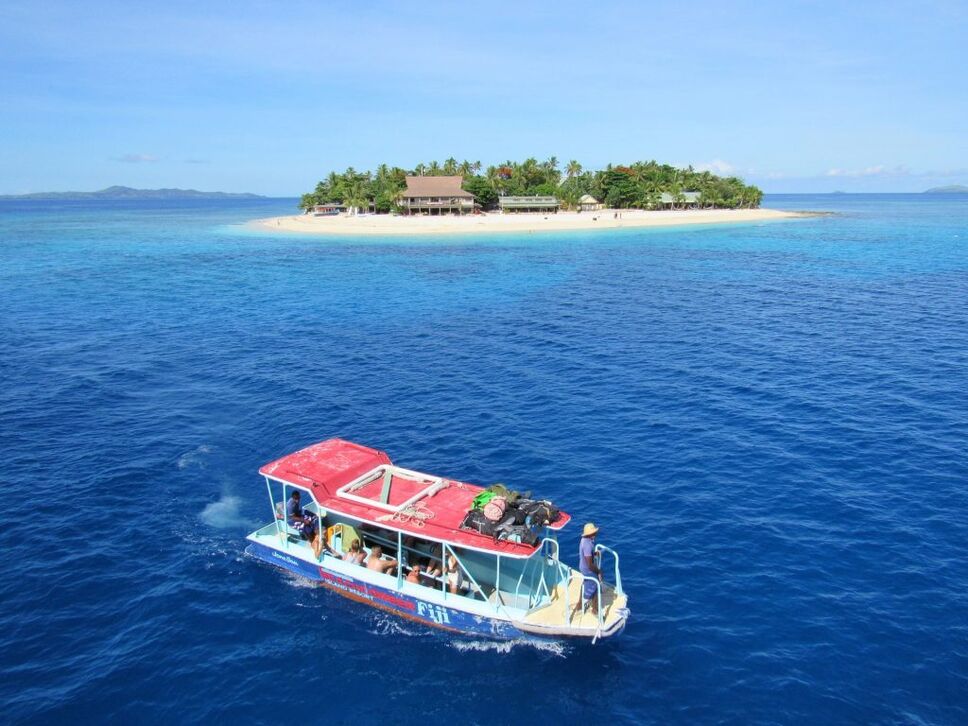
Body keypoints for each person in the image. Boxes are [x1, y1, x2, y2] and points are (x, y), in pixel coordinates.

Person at [574, 522, 604, 618]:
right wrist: (598, 571)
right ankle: (595, 610)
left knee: (586, 582)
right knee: (596, 584)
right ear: (590, 534)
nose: (596, 533)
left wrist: (594, 554)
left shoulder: (584, 540)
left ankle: (579, 605)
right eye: (594, 532)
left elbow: (587, 555)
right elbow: (590, 564)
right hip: (587, 568)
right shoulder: (588, 544)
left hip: (582, 567)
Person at [286, 490, 321, 558]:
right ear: (293, 498)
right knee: (305, 527)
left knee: (314, 517)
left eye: (298, 498)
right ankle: (312, 542)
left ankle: (316, 533)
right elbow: (293, 517)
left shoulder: (297, 501)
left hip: (298, 514)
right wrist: (304, 520)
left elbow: (299, 511)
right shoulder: (290, 505)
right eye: (296, 499)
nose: (297, 500)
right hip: (292, 520)